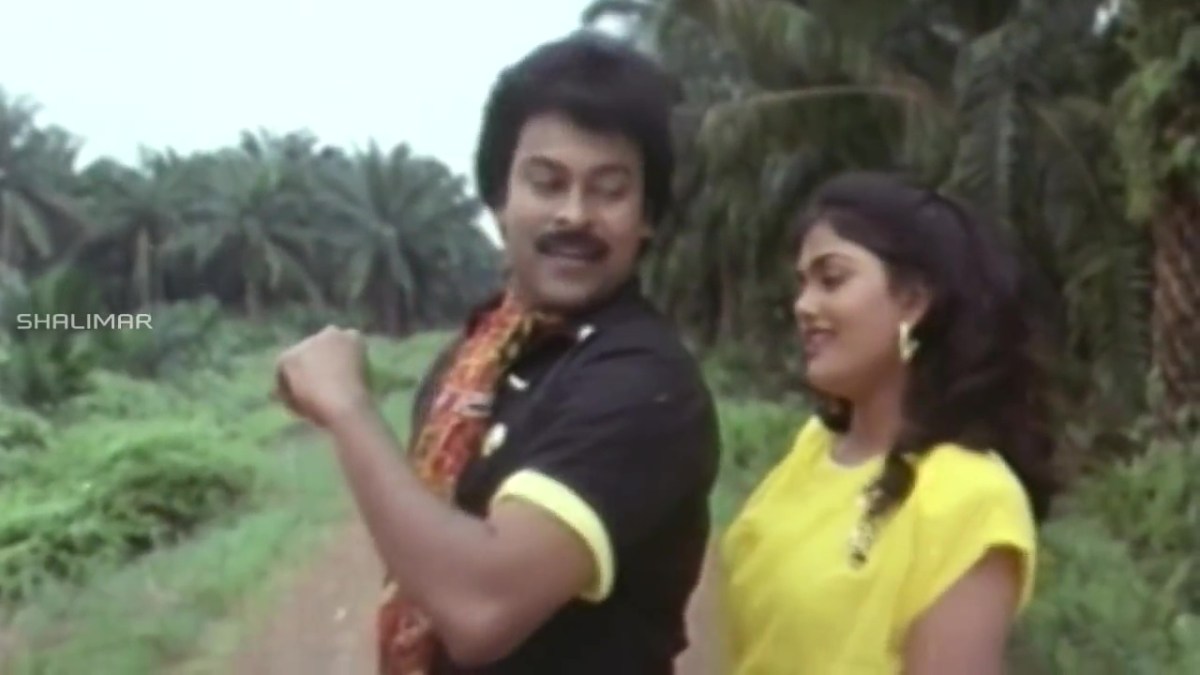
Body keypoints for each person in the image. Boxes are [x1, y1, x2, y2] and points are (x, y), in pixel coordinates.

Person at [273, 30, 721, 675]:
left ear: (646, 216)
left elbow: (477, 606)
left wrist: (348, 409)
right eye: (546, 182)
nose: (574, 214)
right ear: (499, 200)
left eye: (609, 189)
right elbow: (425, 544)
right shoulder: (476, 356)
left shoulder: (645, 385)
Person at [701, 171, 1061, 674]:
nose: (803, 306)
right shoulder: (815, 448)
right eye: (802, 284)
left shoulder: (971, 497)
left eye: (832, 279)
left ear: (913, 300)